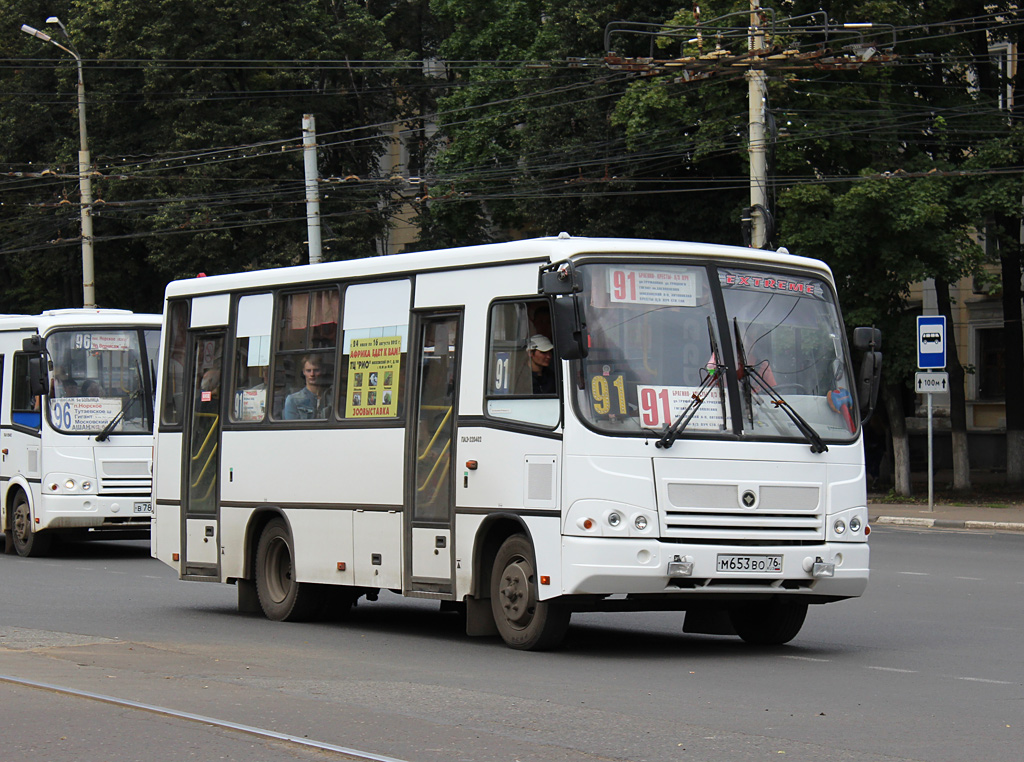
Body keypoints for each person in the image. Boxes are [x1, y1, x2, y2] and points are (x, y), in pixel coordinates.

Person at [283, 355, 332, 419]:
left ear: (323, 371)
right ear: (304, 372)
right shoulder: (293, 400)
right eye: (308, 370)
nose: (312, 374)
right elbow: (291, 427)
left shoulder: (332, 399)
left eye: (316, 370)